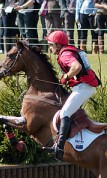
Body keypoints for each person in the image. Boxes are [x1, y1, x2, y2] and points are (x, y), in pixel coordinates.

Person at [43, 30, 100, 161]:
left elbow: (77, 67)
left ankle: (59, 147)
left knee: (65, 113)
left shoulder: (65, 54)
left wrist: (66, 76)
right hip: (83, 86)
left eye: (51, 44)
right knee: (66, 111)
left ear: (58, 45)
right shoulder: (69, 50)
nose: (49, 47)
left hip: (84, 87)